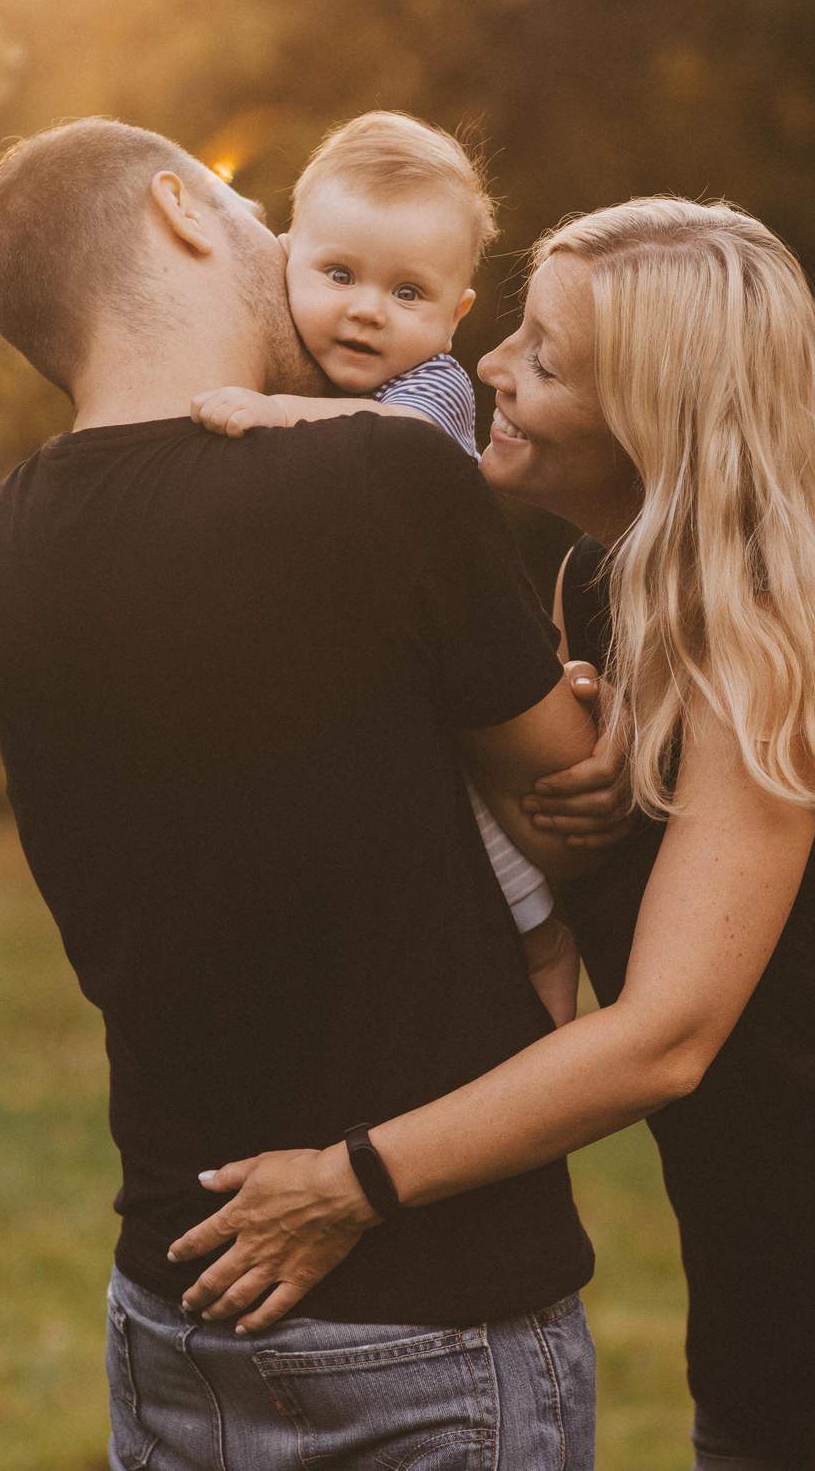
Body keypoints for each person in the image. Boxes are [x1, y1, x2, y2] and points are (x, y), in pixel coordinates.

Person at [176, 197, 815, 1470]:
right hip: (773, 1311)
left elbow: (667, 1038)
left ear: (661, 421)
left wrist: (349, 1183)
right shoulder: (610, 585)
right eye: (514, 331)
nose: (489, 366)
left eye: (547, 358)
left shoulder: (779, 630)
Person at [0, 116, 621, 1470]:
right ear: (183, 212)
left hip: (175, 1296)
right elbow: (576, 792)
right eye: (253, 207)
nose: (283, 244)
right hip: (426, 1306)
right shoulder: (379, 473)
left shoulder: (6, 536)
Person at [191, 110, 574, 1016]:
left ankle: (551, 960)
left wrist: (277, 414)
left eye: (409, 293)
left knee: (494, 834)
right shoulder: (290, 369)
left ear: (455, 314)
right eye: (338, 275)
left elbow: (404, 448)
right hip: (357, 662)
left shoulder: (426, 386)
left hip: (451, 658)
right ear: (283, 259)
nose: (367, 309)